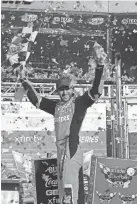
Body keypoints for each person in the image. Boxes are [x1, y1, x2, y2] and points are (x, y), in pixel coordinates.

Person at [19, 42, 107, 204]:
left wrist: (100, 65)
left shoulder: (78, 103)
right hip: (60, 152)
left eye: (67, 88)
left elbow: (96, 91)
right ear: (57, 90)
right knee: (63, 194)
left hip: (72, 149)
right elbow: (36, 100)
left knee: (69, 192)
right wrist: (23, 80)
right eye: (61, 89)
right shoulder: (56, 106)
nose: (64, 92)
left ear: (73, 89)